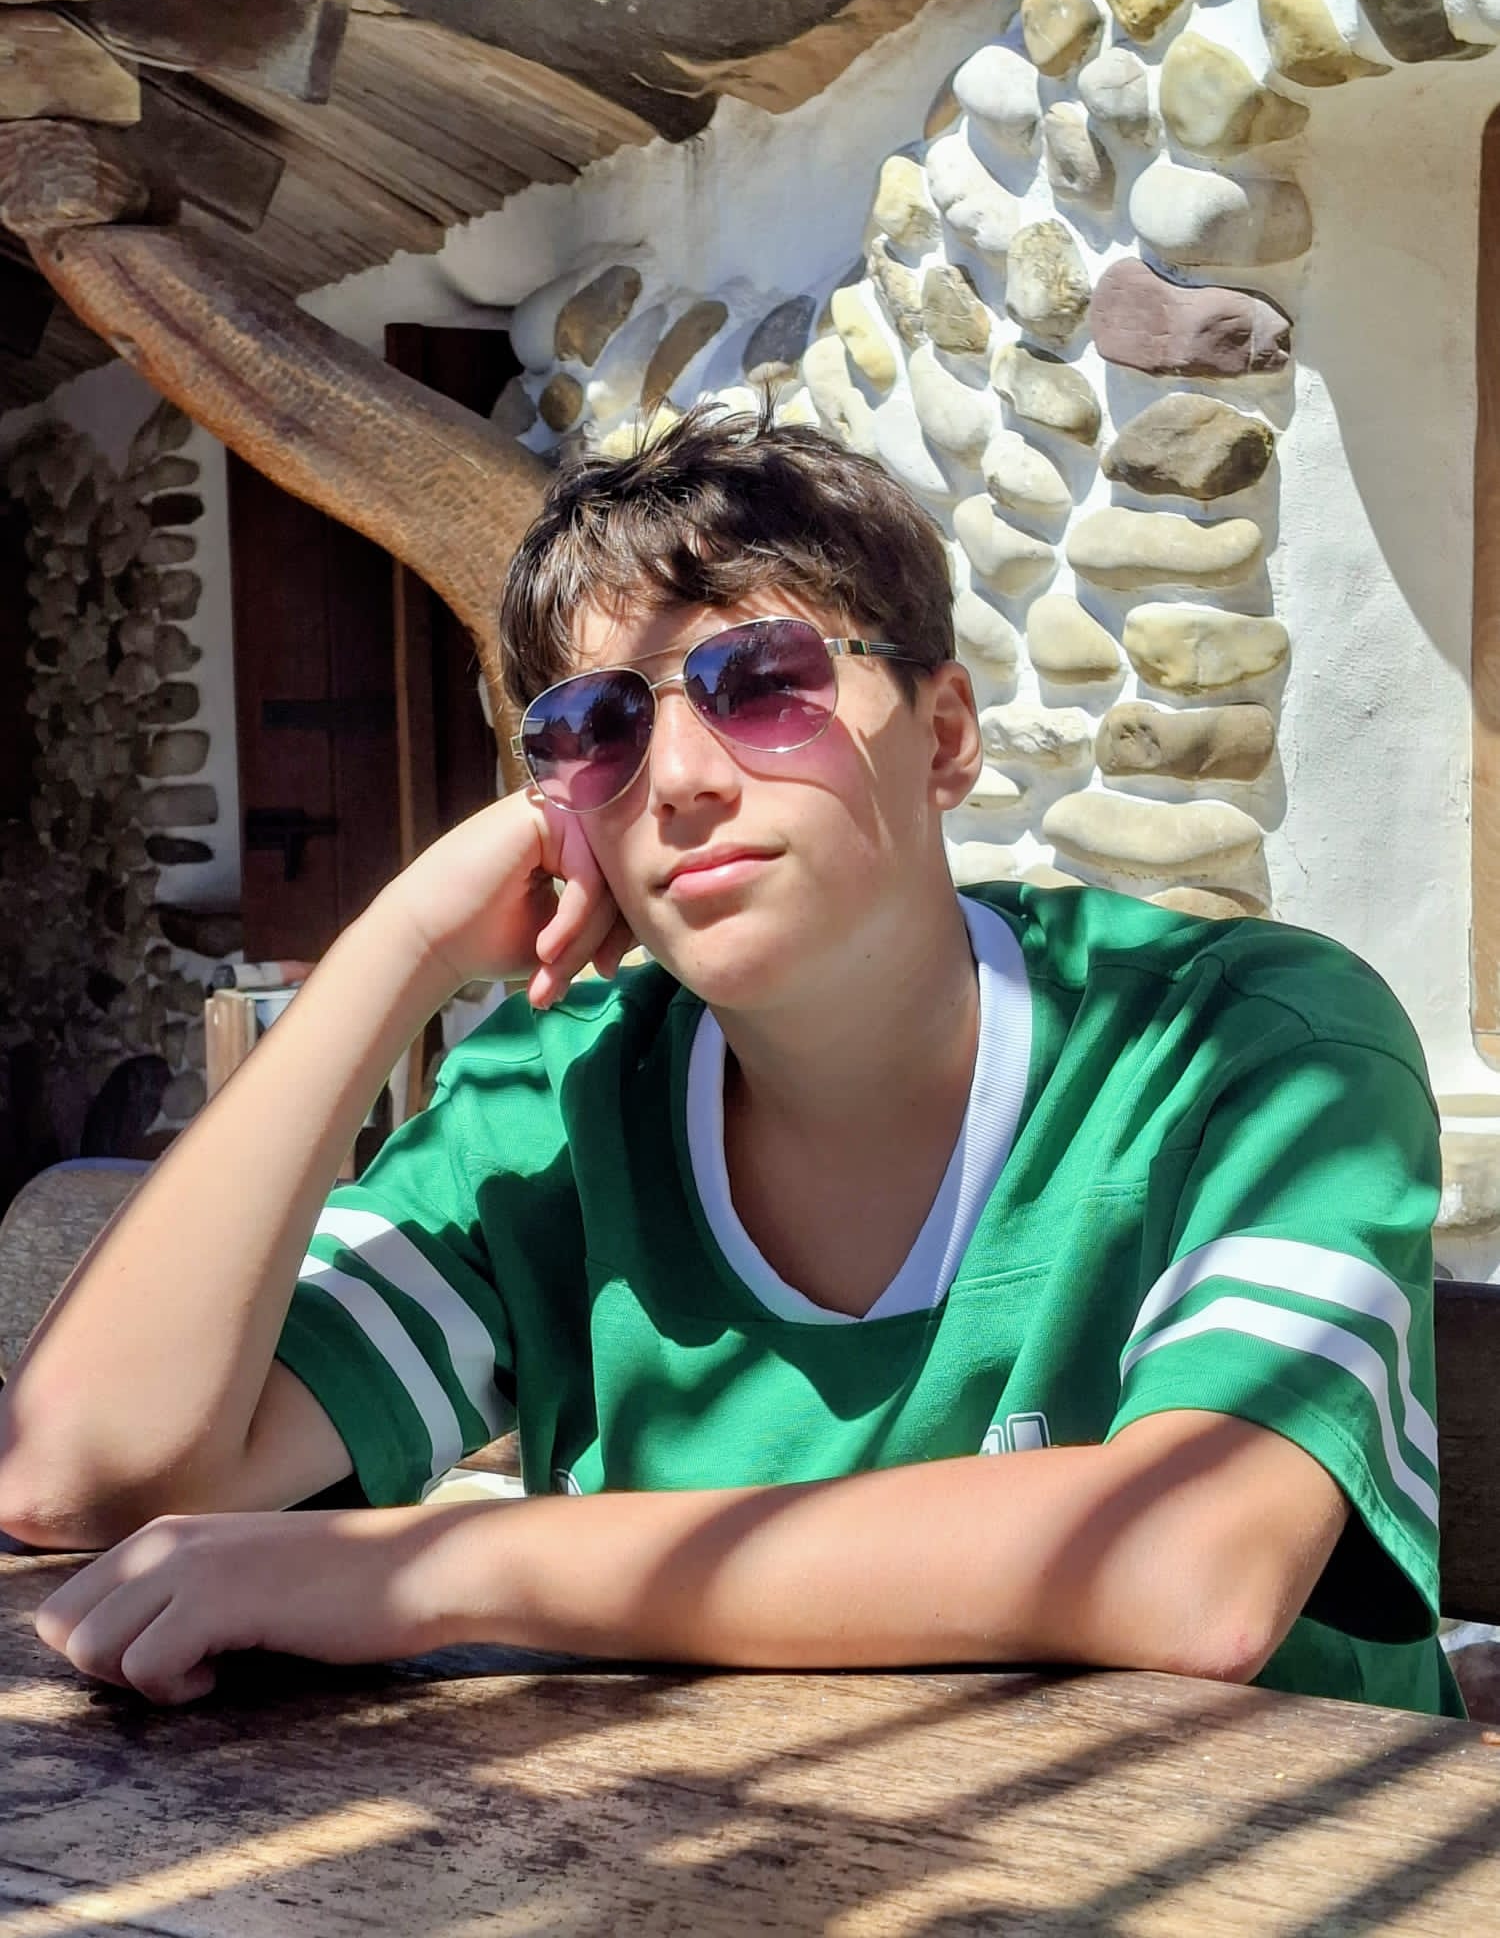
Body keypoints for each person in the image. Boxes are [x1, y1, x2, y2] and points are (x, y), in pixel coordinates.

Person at [0, 405, 1460, 1717]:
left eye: (762, 682)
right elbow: (82, 1479)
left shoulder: (1247, 1045)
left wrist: (432, 1567)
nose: (685, 779)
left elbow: (1194, 1566)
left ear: (944, 736)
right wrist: (402, 944)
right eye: (598, 729)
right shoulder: (552, 1108)